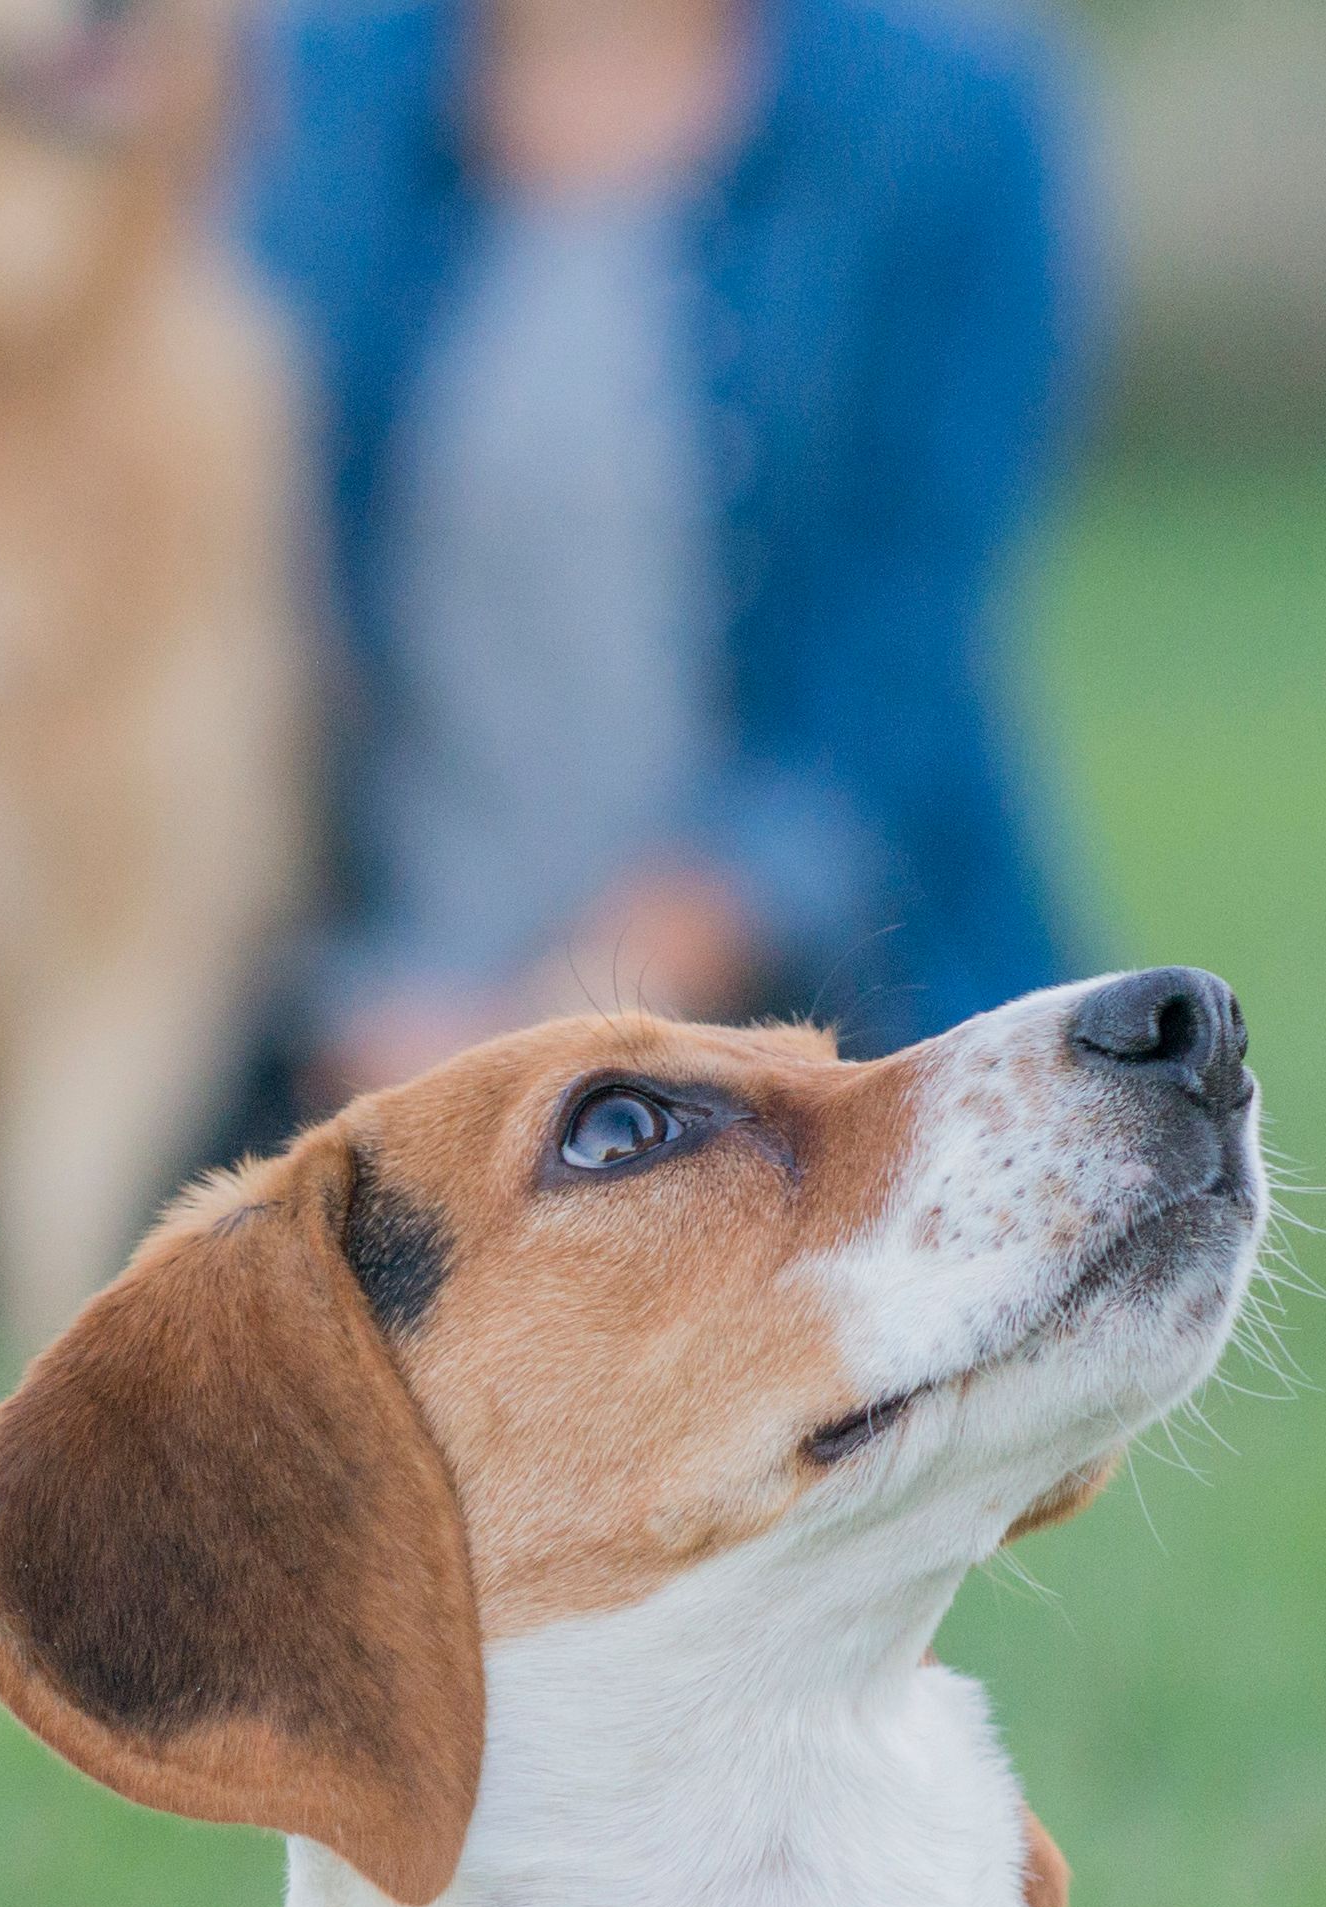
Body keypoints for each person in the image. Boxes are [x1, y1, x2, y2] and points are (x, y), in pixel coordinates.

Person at [234, 0, 1086, 1091]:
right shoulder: (296, 91)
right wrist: (342, 1001)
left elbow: (883, 679)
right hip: (352, 1023)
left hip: (828, 1027)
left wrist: (556, 1021)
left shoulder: (947, 117)